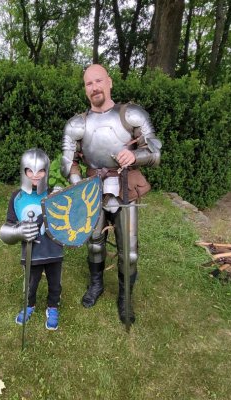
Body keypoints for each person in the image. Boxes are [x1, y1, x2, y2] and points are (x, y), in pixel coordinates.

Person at [61, 64, 161, 324]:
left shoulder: (131, 115)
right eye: (89, 84)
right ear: (85, 89)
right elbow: (67, 163)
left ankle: (125, 297)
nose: (94, 87)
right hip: (92, 188)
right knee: (94, 243)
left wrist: (135, 156)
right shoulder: (77, 124)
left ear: (109, 82)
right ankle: (96, 285)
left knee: (130, 251)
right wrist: (80, 187)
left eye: (98, 81)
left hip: (125, 187)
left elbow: (155, 153)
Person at [0, 148, 63, 330]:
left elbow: (67, 221)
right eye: (30, 171)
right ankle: (29, 305)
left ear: (47, 171)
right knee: (31, 282)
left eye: (40, 171)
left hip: (54, 248)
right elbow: (8, 226)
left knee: (55, 282)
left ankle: (53, 307)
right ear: (24, 171)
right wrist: (19, 231)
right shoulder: (17, 197)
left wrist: (63, 200)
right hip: (31, 251)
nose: (35, 175)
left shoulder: (53, 194)